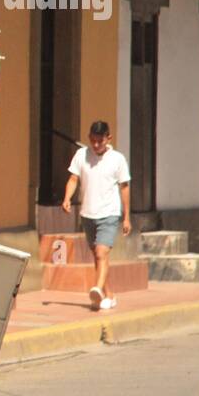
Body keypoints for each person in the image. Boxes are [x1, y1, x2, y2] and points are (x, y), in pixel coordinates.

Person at [61, 120, 132, 311]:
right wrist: (67, 197)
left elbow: (124, 187)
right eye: (92, 140)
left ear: (108, 138)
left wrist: (126, 217)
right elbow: (73, 178)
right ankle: (108, 294)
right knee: (98, 256)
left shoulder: (117, 159)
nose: (96, 145)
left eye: (100, 141)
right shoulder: (81, 155)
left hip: (109, 213)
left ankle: (97, 289)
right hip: (88, 213)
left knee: (102, 253)